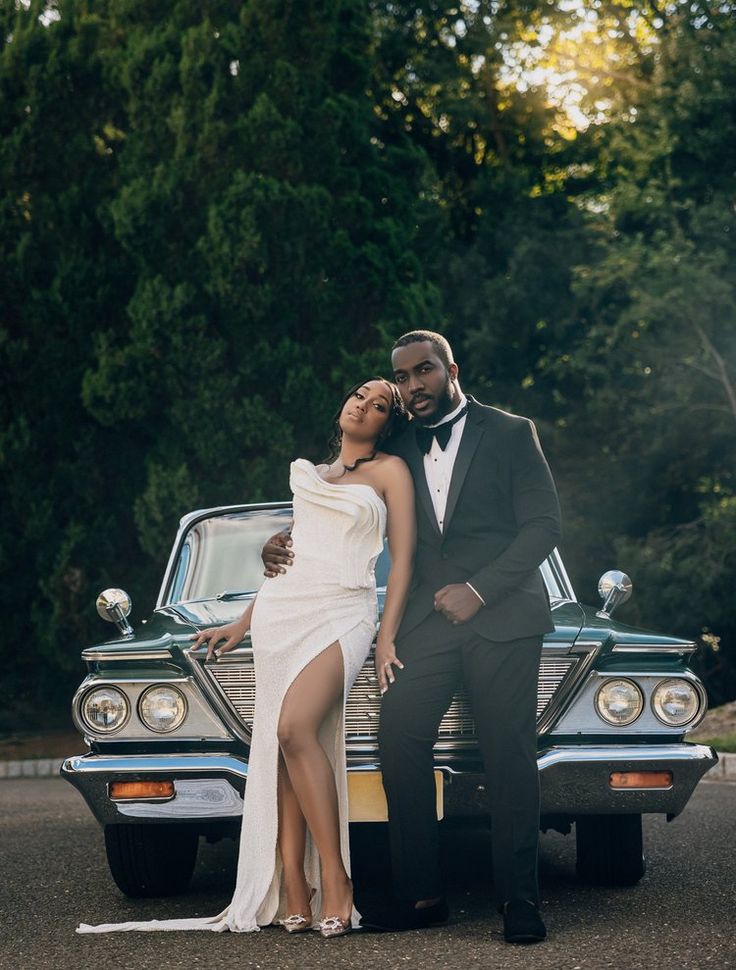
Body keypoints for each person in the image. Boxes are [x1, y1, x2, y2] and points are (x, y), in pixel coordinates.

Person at [77, 378, 415, 938]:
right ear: (343, 404)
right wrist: (242, 620)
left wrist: (385, 637)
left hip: (345, 612)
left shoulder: (389, 473)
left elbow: (402, 563)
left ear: (387, 423)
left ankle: (337, 878)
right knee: (280, 747)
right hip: (284, 610)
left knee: (294, 728)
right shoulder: (313, 476)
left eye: (380, 405)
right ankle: (294, 886)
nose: (364, 405)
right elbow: (292, 559)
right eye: (360, 394)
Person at [263, 331, 561, 944]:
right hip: (427, 624)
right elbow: (339, 491)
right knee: (398, 737)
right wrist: (278, 542)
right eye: (401, 377)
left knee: (508, 753)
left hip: (503, 616)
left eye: (423, 371)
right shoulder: (396, 442)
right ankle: (421, 895)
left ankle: (519, 901)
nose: (412, 386)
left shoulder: (509, 431)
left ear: (451, 368)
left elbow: (543, 525)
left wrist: (479, 589)